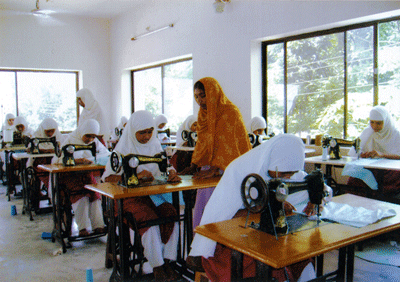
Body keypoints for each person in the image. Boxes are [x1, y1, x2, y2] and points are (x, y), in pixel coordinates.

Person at [187, 134, 333, 281]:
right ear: (273, 161)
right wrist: (266, 207)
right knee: (275, 264)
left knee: (300, 256)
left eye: (292, 173)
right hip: (228, 245)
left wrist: (316, 200)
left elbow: (323, 189)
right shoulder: (239, 171)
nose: (288, 178)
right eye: (284, 173)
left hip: (266, 240)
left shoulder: (287, 169)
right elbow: (219, 222)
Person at [102, 110, 181, 281]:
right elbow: (107, 178)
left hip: (150, 196)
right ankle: (157, 266)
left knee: (172, 213)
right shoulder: (122, 149)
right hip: (126, 199)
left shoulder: (155, 145)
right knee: (149, 220)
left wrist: (172, 174)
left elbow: (164, 168)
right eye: (142, 132)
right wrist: (134, 177)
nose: (147, 137)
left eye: (150, 131)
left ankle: (168, 261)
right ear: (132, 131)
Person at [180, 77, 252, 229]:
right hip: (209, 170)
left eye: (203, 95)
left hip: (228, 171)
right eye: (197, 96)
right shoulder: (203, 114)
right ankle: (200, 249)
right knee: (203, 208)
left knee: (219, 213)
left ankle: (215, 251)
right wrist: (193, 165)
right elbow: (202, 143)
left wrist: (215, 168)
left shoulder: (230, 112)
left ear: (213, 93)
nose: (200, 100)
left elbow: (231, 146)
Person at [52, 119, 109, 237]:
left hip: (86, 174)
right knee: (81, 197)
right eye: (88, 136)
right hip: (69, 176)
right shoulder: (70, 140)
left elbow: (106, 154)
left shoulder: (94, 142)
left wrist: (97, 158)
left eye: (93, 137)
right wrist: (74, 160)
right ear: (82, 131)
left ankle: (98, 225)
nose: (90, 140)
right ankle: (83, 227)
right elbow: (56, 160)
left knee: (96, 195)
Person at [348, 105, 400, 195]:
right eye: (372, 122)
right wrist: (362, 155)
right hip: (372, 167)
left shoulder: (395, 134)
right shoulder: (368, 132)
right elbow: (356, 152)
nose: (374, 126)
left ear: (386, 122)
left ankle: (379, 201)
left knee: (385, 179)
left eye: (379, 123)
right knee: (356, 175)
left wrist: (382, 155)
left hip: (390, 169)